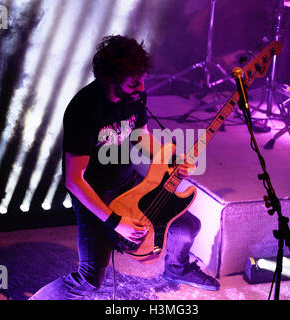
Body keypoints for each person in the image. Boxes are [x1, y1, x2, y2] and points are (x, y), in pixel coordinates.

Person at [30, 35, 219, 300]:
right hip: (94, 193)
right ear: (109, 79)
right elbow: (74, 180)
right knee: (89, 279)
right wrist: (115, 222)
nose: (141, 88)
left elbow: (139, 135)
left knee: (186, 226)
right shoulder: (84, 108)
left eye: (143, 80)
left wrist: (171, 158)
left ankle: (176, 269)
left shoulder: (135, 97)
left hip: (126, 182)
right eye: (134, 82)